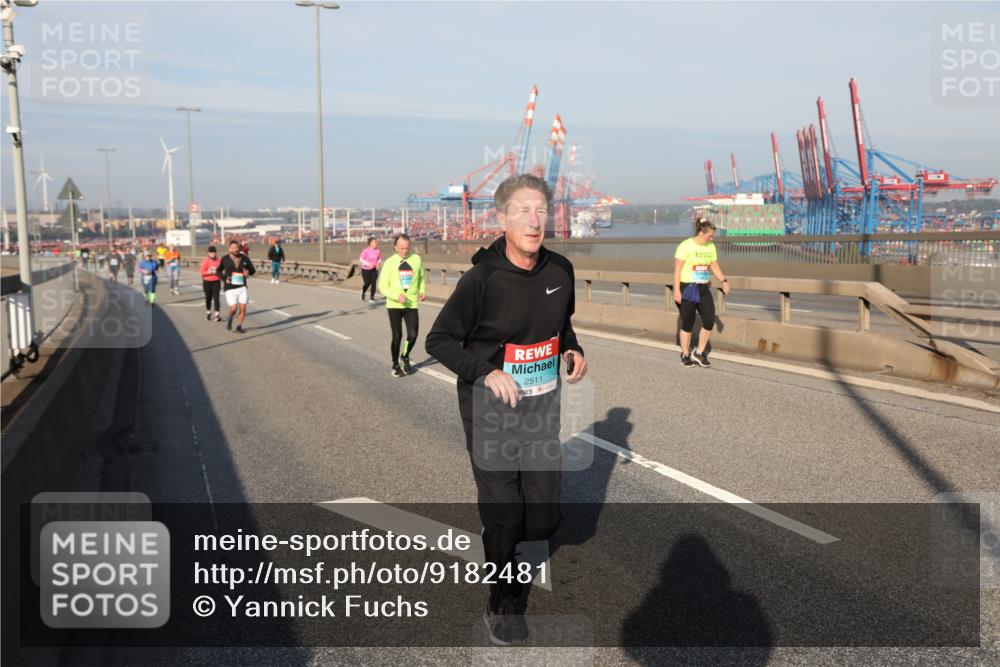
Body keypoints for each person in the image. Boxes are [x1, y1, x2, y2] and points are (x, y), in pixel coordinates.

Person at [425, 173, 588, 646]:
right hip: (489, 413)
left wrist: (571, 350)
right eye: (523, 211)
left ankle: (500, 530)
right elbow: (439, 339)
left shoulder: (561, 271)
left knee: (544, 520)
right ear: (502, 219)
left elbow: (564, 325)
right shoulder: (482, 279)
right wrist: (487, 371)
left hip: (540, 411)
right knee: (507, 519)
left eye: (541, 210)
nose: (534, 221)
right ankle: (502, 602)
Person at [673, 218, 730, 367]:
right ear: (701, 232)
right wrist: (677, 291)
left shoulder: (710, 247)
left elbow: (714, 265)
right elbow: (677, 270)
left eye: (713, 236)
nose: (711, 239)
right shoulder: (685, 246)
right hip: (687, 288)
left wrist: (723, 280)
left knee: (709, 320)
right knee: (688, 323)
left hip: (703, 287)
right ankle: (685, 354)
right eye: (709, 236)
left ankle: (698, 353)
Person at [378, 234, 425, 377]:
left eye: (407, 248)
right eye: (402, 248)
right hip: (394, 305)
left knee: (413, 334)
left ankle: (405, 356)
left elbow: (421, 278)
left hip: (411, 303)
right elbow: (382, 286)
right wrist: (396, 296)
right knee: (397, 335)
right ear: (395, 247)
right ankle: (395, 365)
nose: (405, 251)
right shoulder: (390, 263)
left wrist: (422, 291)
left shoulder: (416, 259)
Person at [217, 239, 256, 333]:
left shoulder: (244, 258)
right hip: (230, 287)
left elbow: (252, 270)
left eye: (237, 247)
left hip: (242, 286)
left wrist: (248, 273)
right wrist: (224, 278)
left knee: (243, 308)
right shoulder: (224, 259)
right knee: (234, 308)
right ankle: (230, 317)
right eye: (233, 248)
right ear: (229, 249)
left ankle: (239, 326)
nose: (235, 249)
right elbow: (218, 271)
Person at [200, 246, 223, 321]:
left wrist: (221, 274)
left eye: (213, 252)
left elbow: (223, 270)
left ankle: (217, 315)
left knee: (216, 298)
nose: (212, 253)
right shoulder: (206, 261)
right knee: (208, 298)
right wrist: (208, 272)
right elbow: (201, 272)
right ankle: (208, 313)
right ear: (208, 253)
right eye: (211, 252)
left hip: (216, 281)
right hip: (207, 282)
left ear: (216, 253)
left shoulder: (219, 260)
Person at [359, 237, 381, 303]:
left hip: (374, 269)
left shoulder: (378, 251)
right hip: (365, 269)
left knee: (373, 283)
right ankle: (363, 291)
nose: (376, 243)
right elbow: (361, 259)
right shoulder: (366, 250)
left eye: (376, 242)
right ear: (370, 243)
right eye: (374, 242)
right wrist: (368, 264)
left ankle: (372, 297)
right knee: (367, 283)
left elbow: (379, 258)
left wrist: (378, 264)